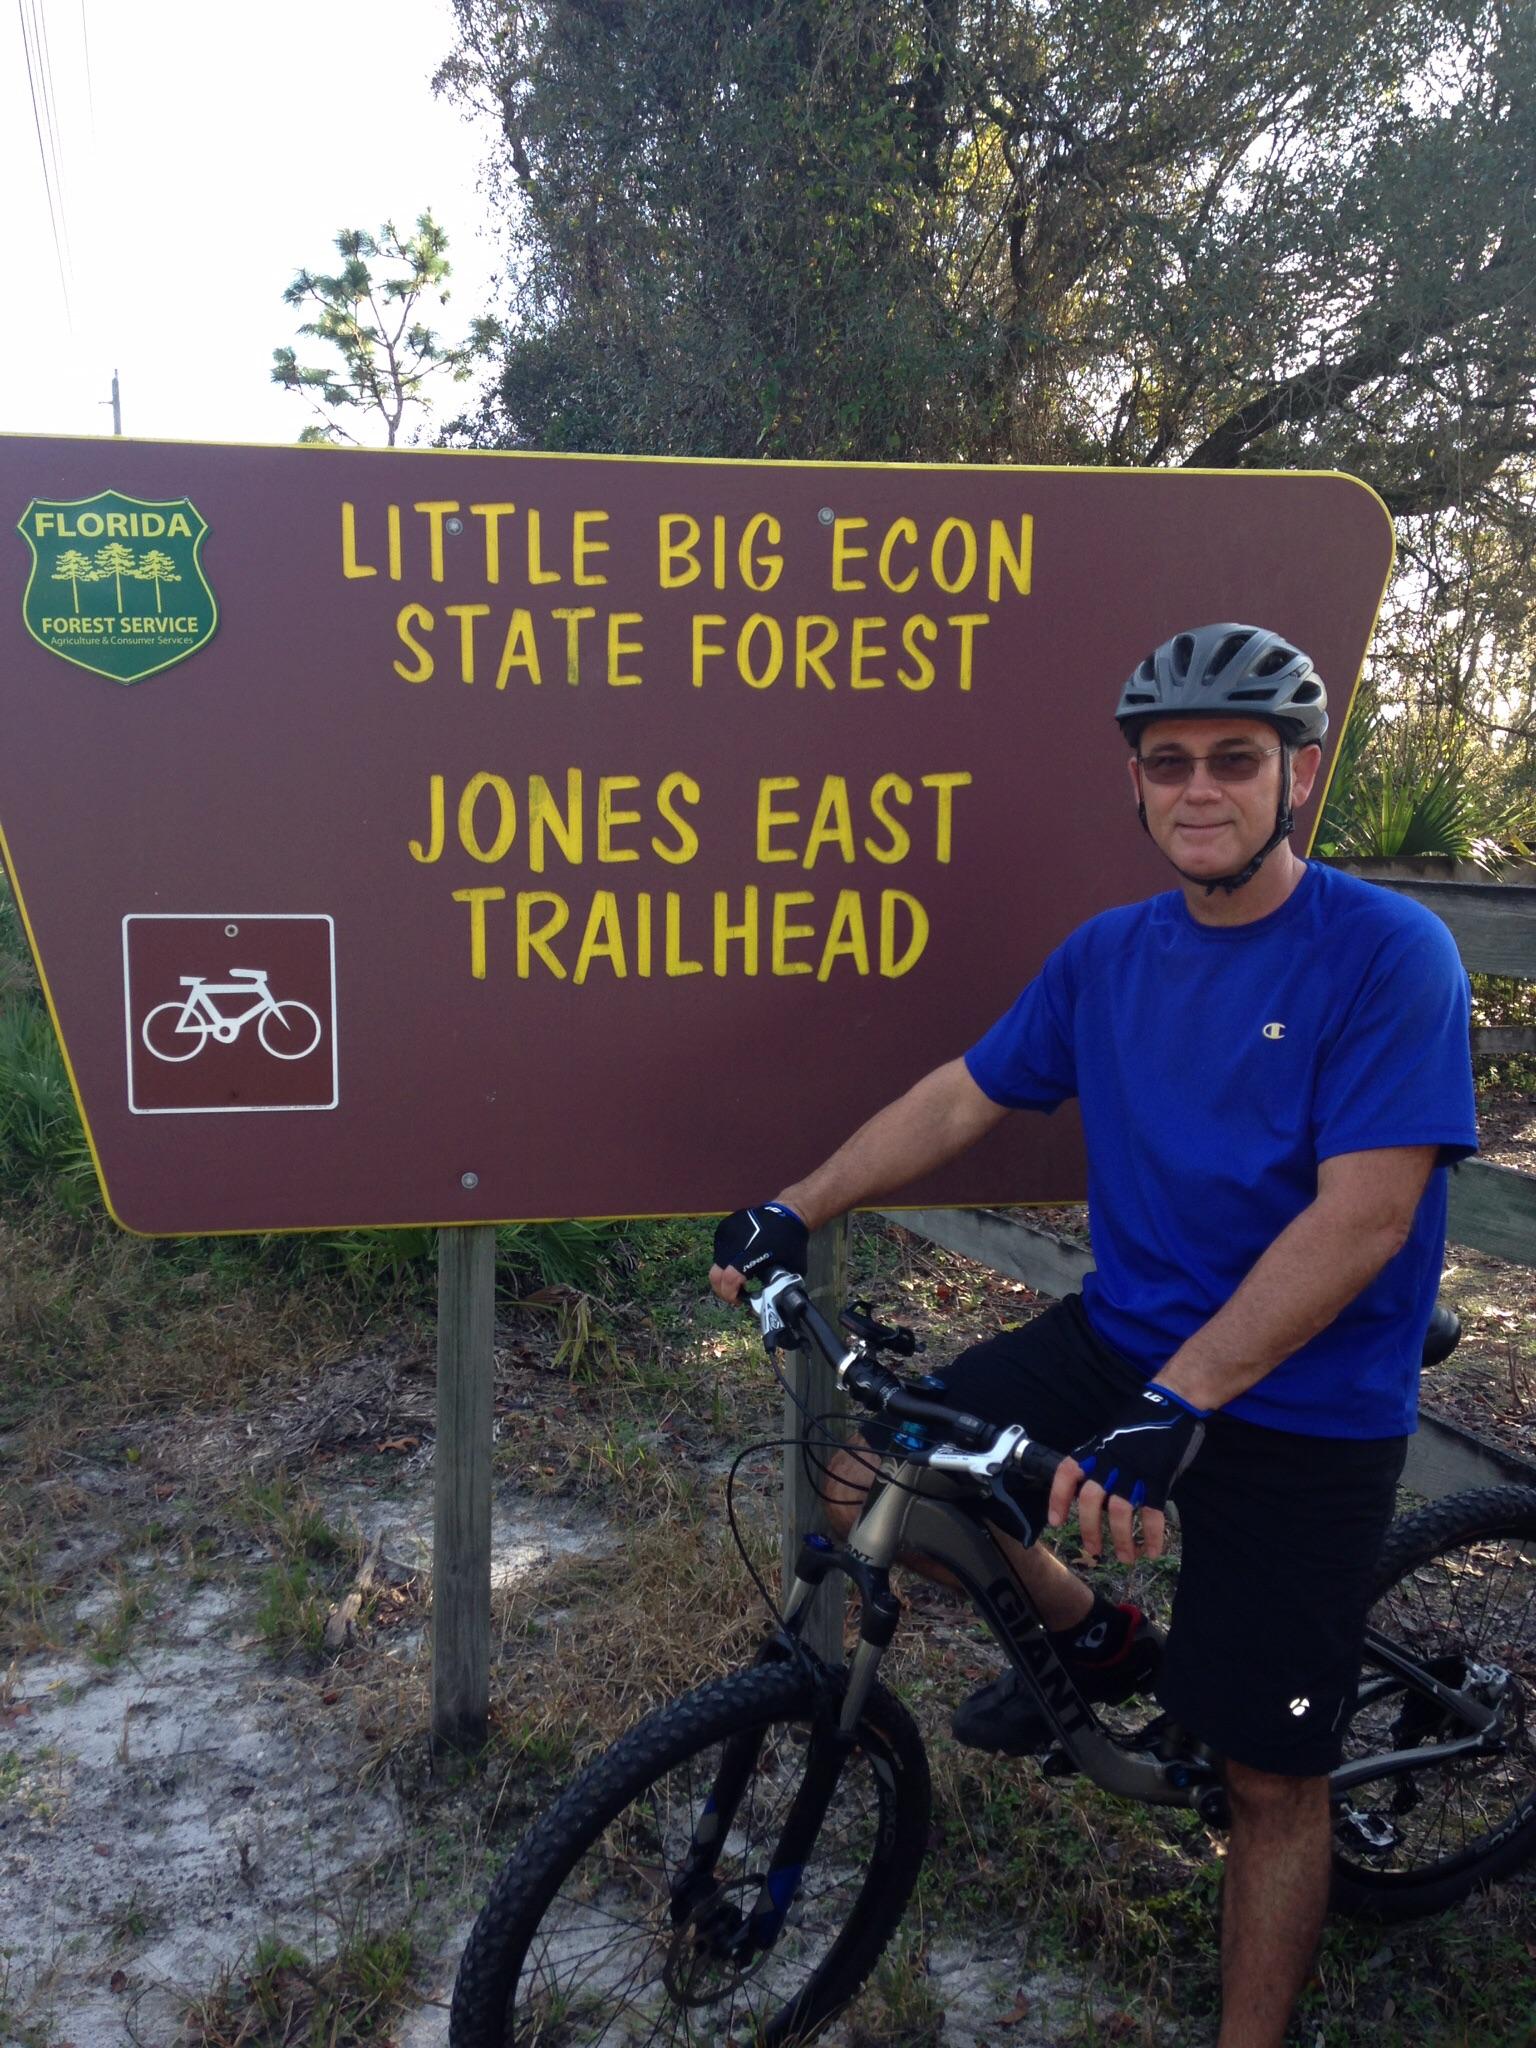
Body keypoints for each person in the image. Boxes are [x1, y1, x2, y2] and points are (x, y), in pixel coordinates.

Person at [710, 623, 1477, 2048]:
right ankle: (1103, 1638)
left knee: (1265, 1778)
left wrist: (1182, 1401)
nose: (1200, 789)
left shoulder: (1388, 956)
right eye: (1168, 763)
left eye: (1234, 762)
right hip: (1127, 1338)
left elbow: (1364, 1217)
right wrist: (791, 1207)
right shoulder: (1111, 958)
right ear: (1134, 786)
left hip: (1304, 1400)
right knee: (883, 1470)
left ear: (1298, 774)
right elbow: (965, 1096)